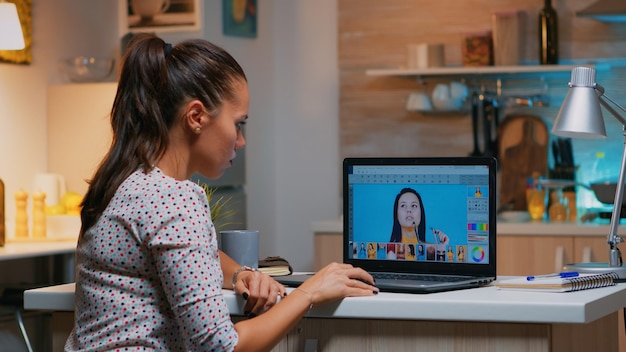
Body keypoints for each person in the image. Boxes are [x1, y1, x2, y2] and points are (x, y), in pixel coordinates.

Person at [65, 33, 378, 351]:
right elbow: (220, 347)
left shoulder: (125, 181)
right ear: (196, 116)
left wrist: (240, 273)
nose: (241, 141)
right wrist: (310, 292)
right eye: (238, 123)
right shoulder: (173, 198)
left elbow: (184, 256)